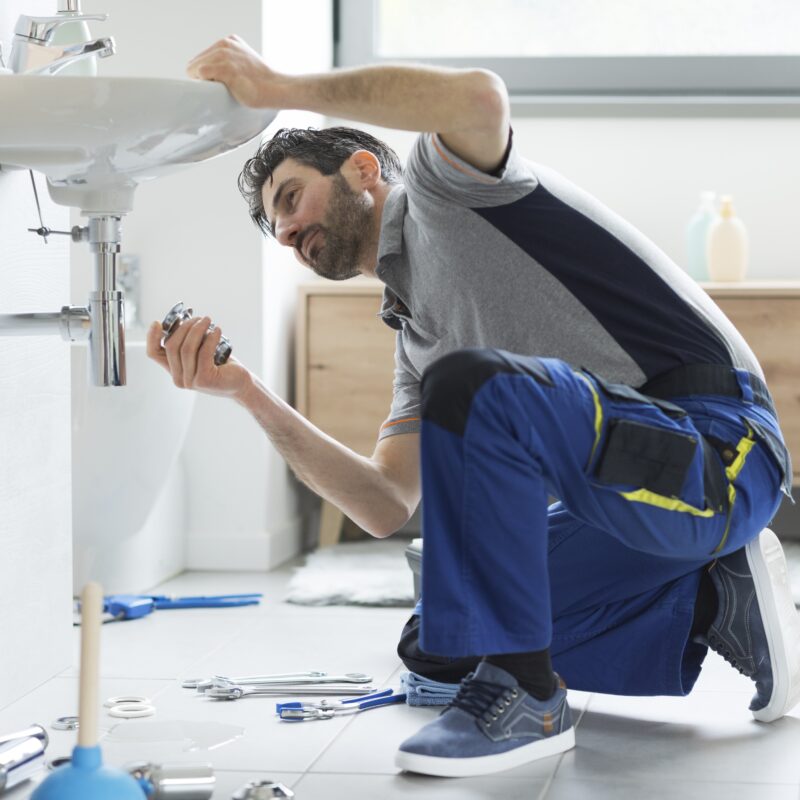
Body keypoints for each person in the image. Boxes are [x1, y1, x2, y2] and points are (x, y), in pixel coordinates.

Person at [147, 35, 800, 778]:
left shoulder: (444, 189)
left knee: (474, 389)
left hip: (721, 451)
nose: (290, 233)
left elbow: (478, 98)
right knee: (442, 633)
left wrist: (277, 87)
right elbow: (387, 502)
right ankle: (716, 602)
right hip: (628, 498)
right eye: (280, 231)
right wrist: (246, 393)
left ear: (363, 169)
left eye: (291, 199)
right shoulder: (417, 337)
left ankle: (529, 697)